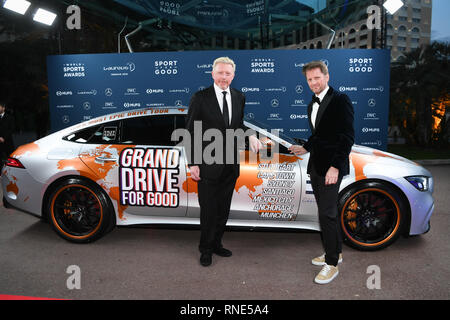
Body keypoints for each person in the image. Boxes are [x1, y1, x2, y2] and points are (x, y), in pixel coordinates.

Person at [186, 57, 261, 267]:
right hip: (207, 165)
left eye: (228, 74)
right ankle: (206, 249)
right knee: (209, 211)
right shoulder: (200, 98)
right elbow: (190, 132)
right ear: (212, 74)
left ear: (233, 76)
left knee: (223, 210)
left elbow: (238, 125)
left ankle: (217, 243)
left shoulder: (239, 97)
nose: (223, 77)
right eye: (220, 73)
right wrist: (193, 163)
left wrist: (251, 135)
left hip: (230, 165)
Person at [289, 61, 354, 284]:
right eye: (309, 79)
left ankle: (332, 264)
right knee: (329, 212)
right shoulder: (311, 105)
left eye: (317, 78)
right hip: (316, 165)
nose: (313, 83)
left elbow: (347, 137)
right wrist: (305, 147)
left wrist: (335, 167)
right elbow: (319, 135)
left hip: (331, 168)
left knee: (327, 214)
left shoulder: (340, 100)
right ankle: (335, 252)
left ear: (327, 76)